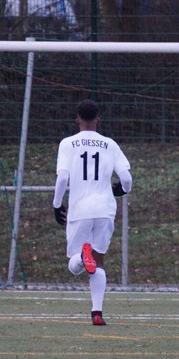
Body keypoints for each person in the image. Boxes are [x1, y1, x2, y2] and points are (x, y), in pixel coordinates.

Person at [52, 99, 132, 326]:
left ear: (77, 120)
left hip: (81, 209)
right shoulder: (110, 144)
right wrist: (122, 189)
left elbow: (63, 177)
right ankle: (97, 313)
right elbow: (126, 179)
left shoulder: (68, 144)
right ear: (98, 120)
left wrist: (57, 204)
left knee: (74, 264)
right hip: (105, 209)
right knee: (98, 263)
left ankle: (81, 256)